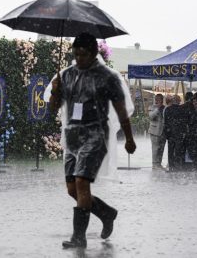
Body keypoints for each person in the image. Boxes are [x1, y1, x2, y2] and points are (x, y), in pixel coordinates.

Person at [48, 33, 136, 249]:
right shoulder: (66, 75)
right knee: (72, 190)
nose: (79, 59)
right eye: (76, 54)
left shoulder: (108, 77)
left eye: (83, 54)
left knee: (81, 182)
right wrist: (56, 92)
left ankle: (79, 237)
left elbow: (121, 109)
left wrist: (129, 138)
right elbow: (53, 108)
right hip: (72, 138)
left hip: (95, 136)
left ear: (94, 52)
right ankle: (106, 213)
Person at [163, 95, 187, 171]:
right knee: (178, 151)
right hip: (179, 133)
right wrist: (184, 132)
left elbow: (166, 122)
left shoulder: (167, 109)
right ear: (179, 101)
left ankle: (171, 166)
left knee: (170, 150)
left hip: (170, 133)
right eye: (179, 100)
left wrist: (167, 133)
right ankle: (177, 166)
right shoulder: (182, 109)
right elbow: (184, 122)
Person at [148, 93, 166, 170]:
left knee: (161, 148)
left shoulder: (165, 107)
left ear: (162, 100)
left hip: (163, 131)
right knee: (155, 148)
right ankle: (154, 164)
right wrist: (157, 109)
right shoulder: (151, 107)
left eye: (159, 99)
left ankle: (159, 164)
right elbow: (151, 116)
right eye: (156, 99)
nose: (157, 100)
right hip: (154, 131)